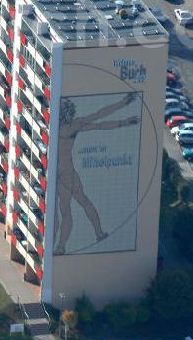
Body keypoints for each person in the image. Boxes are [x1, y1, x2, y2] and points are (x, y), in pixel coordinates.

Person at [54, 93, 140, 253]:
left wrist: (123, 114)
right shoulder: (69, 125)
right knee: (72, 207)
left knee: (67, 210)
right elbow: (99, 119)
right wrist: (123, 115)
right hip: (63, 173)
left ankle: (64, 245)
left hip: (63, 173)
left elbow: (100, 118)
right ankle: (86, 237)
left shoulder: (66, 125)